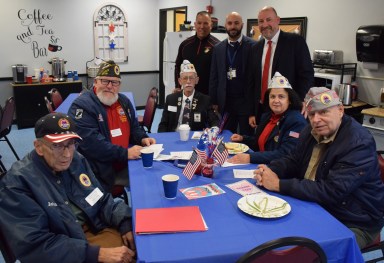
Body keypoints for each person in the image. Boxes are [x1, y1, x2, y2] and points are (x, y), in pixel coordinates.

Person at [254, 87, 384, 249]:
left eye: (323, 112)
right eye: (311, 114)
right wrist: (271, 170)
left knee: (307, 254)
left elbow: (331, 191)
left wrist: (278, 184)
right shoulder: (310, 130)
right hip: (317, 205)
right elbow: (294, 160)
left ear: (340, 110)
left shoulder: (358, 143)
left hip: (355, 220)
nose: (316, 119)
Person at [0, 113, 136, 262]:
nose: (67, 154)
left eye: (70, 144)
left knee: (139, 244)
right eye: (57, 146)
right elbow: (36, 244)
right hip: (64, 251)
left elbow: (101, 199)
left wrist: (124, 222)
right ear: (39, 147)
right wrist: (97, 254)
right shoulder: (17, 183)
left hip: (95, 228)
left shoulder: (76, 159)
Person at [68, 60, 156, 192]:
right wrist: (125, 153)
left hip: (127, 161)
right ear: (96, 82)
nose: (110, 86)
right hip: (101, 171)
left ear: (119, 85)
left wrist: (142, 138)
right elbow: (92, 145)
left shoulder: (123, 102)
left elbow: (134, 128)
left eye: (114, 82)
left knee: (155, 175)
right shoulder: (82, 106)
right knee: (148, 183)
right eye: (105, 81)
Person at [248, 6, 314, 127]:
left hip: (288, 109)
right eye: (261, 21)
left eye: (269, 20)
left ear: (278, 20)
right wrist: (252, 112)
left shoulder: (295, 42)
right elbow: (252, 82)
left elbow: (306, 74)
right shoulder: (255, 48)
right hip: (262, 110)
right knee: (261, 143)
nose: (265, 24)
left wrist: (300, 101)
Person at [228, 72, 306, 164]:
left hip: (278, 171)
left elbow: (284, 153)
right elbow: (260, 141)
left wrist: (250, 157)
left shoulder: (296, 121)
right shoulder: (267, 116)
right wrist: (242, 138)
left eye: (281, 97)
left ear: (289, 100)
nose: (276, 100)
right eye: (272, 96)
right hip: (262, 164)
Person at [209, 12, 256, 135]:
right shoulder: (218, 48)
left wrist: (255, 108)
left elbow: (257, 79)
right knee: (226, 137)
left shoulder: (253, 46)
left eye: (236, 23)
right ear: (225, 25)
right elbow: (214, 77)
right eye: (229, 23)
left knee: (246, 138)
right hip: (226, 103)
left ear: (242, 25)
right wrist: (214, 101)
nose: (233, 26)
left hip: (246, 103)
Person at [158, 60, 219, 132]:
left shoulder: (205, 100)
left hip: (194, 138)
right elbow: (163, 124)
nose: (188, 81)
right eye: (185, 78)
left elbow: (214, 121)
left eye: (191, 78)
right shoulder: (171, 99)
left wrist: (213, 129)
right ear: (180, 81)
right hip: (174, 136)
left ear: (196, 80)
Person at [174, 11, 220, 95]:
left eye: (206, 23)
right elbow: (178, 66)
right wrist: (177, 86)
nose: (202, 27)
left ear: (211, 25)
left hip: (207, 96)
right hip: (187, 94)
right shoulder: (185, 45)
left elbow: (220, 75)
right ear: (195, 24)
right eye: (199, 23)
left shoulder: (217, 46)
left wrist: (216, 99)